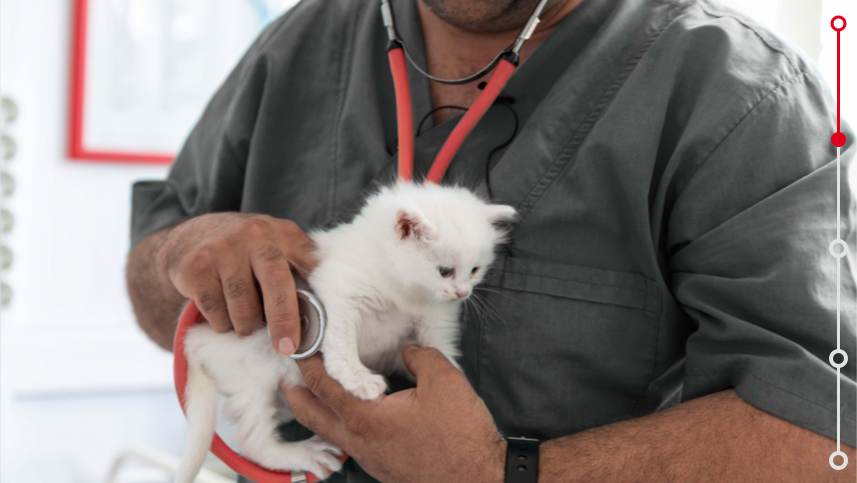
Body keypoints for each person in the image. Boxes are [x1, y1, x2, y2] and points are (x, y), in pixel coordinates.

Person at [126, 0, 857, 481]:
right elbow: (158, 293)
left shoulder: (735, 92)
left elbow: (829, 436)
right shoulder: (297, 44)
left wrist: (497, 470)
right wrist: (178, 253)